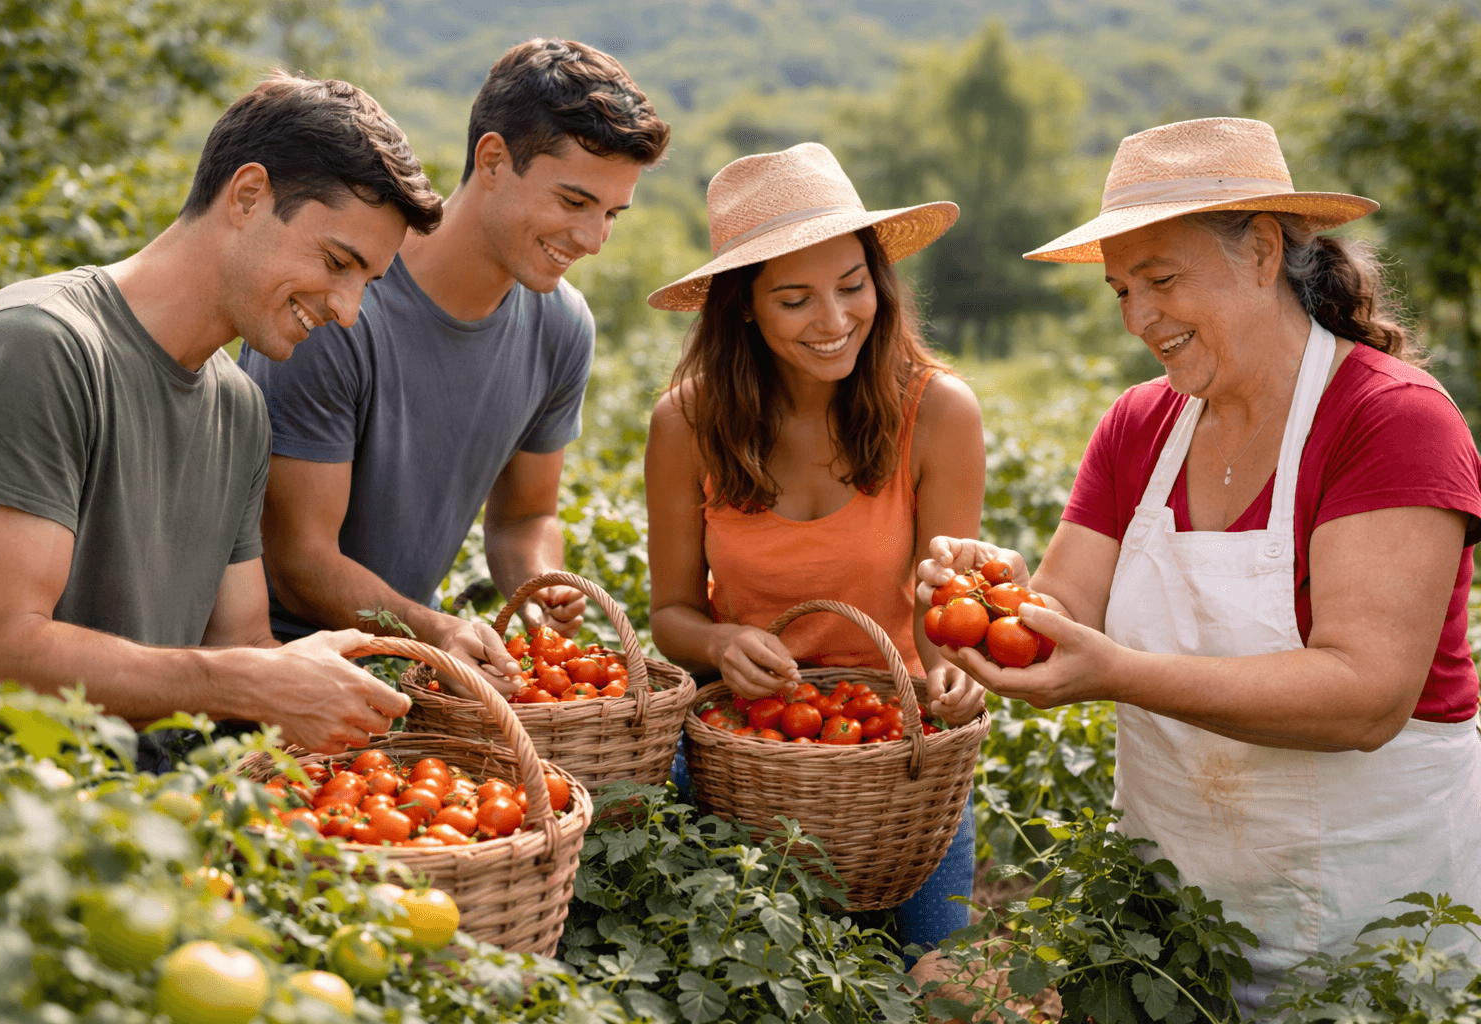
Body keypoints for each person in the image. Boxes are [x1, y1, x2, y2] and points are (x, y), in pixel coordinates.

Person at [918, 117, 1481, 1009]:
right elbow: (1062, 607)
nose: (1140, 318)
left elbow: (1367, 697)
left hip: (1369, 937)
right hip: (1173, 934)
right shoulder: (1142, 425)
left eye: (1162, 279)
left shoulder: (1391, 420)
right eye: (1120, 292)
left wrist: (1121, 675)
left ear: (1261, 251)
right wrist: (984, 592)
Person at [0, 72, 446, 769]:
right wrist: (248, 681)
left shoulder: (239, 408)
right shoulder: (39, 346)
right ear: (247, 195)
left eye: (367, 281)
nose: (348, 308)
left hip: (157, 823)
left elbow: (239, 643)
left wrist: (306, 677)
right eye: (337, 262)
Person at [238, 39, 671, 686]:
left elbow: (525, 517)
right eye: (574, 202)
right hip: (284, 666)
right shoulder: (340, 308)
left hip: (413, 662)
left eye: (611, 214)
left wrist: (537, 582)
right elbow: (301, 565)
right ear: (493, 159)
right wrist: (437, 632)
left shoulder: (561, 326)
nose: (592, 241)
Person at [644, 142, 987, 951]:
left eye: (852, 286)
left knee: (940, 976)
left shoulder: (938, 413)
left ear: (880, 283)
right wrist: (723, 640)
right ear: (744, 310)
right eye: (795, 299)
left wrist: (951, 673)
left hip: (898, 755)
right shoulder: (687, 424)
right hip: (750, 749)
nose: (835, 322)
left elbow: (949, 608)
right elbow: (670, 614)